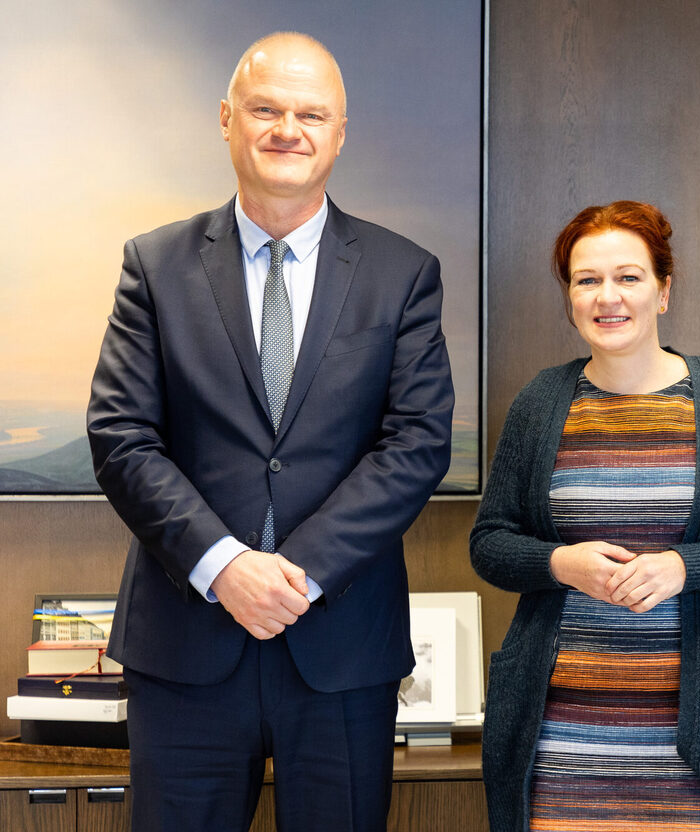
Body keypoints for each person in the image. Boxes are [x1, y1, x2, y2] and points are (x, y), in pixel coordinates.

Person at [86, 32, 454, 831]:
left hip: (341, 644)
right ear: (227, 120)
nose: (289, 128)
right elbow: (121, 435)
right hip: (186, 648)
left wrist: (297, 572)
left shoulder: (403, 272)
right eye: (266, 109)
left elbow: (419, 440)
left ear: (341, 132)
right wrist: (223, 568)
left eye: (311, 113)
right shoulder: (155, 265)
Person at [470, 200, 700, 832]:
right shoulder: (541, 401)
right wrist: (558, 562)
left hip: (694, 747)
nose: (607, 297)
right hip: (560, 746)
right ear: (569, 296)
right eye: (586, 280)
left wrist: (685, 566)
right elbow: (490, 543)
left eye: (629, 277)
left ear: (664, 291)